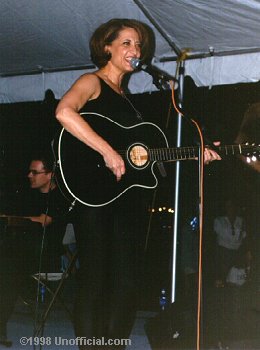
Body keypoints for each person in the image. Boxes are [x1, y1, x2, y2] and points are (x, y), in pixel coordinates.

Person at [55, 18, 221, 349]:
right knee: (94, 279)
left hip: (122, 199)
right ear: (107, 47)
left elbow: (140, 158)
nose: (136, 50)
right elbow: (64, 112)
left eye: (139, 45)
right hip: (93, 193)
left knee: (127, 282)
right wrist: (107, 152)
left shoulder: (127, 99)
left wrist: (194, 153)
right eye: (127, 43)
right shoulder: (92, 81)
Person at [0, 154, 69, 346]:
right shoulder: (28, 194)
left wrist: (14, 219)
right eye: (30, 171)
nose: (29, 175)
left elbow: (44, 221)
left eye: (34, 172)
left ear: (49, 175)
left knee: (7, 268)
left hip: (47, 255)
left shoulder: (60, 197)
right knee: (7, 263)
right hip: (25, 251)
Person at [213, 198, 250, 288]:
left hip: (237, 253)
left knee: (237, 281)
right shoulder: (219, 220)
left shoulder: (241, 220)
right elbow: (222, 237)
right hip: (224, 253)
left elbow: (244, 237)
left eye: (232, 206)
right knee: (223, 280)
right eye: (228, 206)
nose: (230, 208)